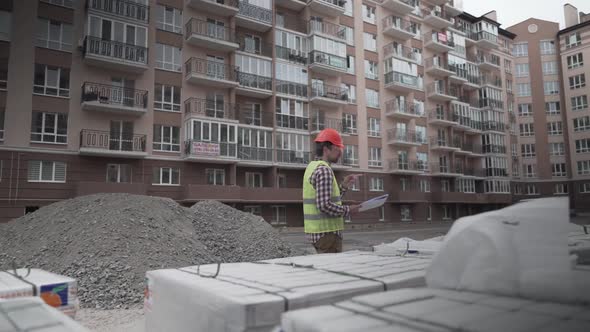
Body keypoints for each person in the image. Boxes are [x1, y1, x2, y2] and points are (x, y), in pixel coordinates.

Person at [302, 128, 362, 253]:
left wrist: (344, 186)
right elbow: (324, 205)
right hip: (327, 234)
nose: (340, 152)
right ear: (326, 149)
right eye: (337, 149)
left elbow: (327, 199)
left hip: (318, 233)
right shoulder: (324, 170)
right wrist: (348, 210)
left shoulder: (312, 167)